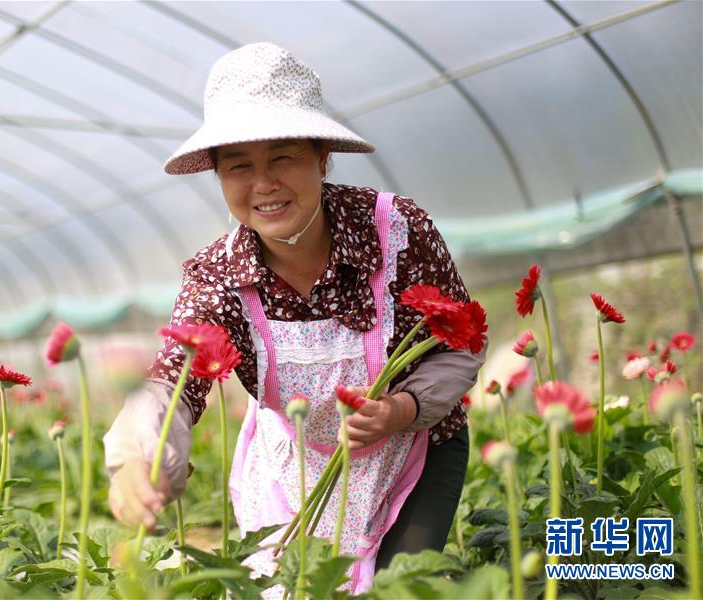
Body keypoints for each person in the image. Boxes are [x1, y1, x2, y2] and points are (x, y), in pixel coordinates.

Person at [104, 43, 485, 592]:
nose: (264, 183)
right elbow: (174, 381)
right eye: (238, 166)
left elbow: (463, 338)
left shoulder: (397, 230)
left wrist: (402, 408)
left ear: (321, 157)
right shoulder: (218, 275)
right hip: (293, 464)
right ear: (217, 175)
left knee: (400, 587)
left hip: (416, 445)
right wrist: (136, 463)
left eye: (283, 157)